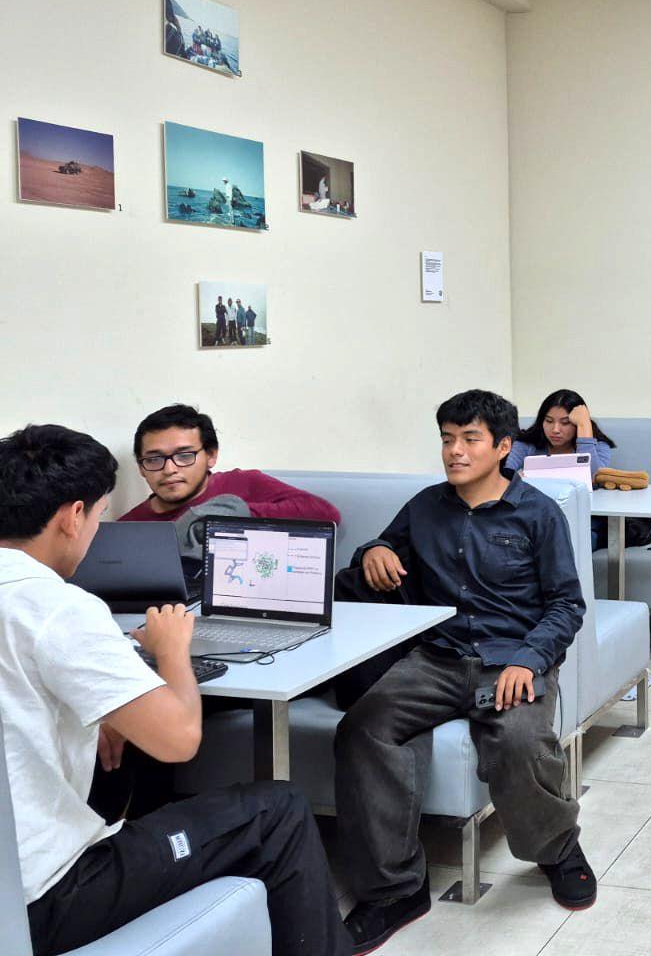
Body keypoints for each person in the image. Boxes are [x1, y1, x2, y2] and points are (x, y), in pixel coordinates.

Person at [0, 424, 348, 956]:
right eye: (97, 517)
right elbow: (180, 739)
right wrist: (172, 653)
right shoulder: (58, 608)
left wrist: (101, 714)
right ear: (73, 516)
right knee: (277, 809)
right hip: (39, 900)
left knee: (119, 769)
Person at [335, 390, 592, 951]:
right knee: (364, 727)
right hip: (435, 658)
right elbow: (380, 550)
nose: (455, 451)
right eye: (448, 439)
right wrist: (374, 549)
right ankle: (395, 888)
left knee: (522, 739)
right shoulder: (426, 505)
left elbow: (567, 605)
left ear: (502, 446)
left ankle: (558, 849)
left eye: (469, 439)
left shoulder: (538, 513)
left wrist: (529, 658)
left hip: (513, 659)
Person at [118, 404, 340, 524]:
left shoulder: (243, 484)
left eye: (184, 455)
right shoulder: (128, 528)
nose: (169, 469)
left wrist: (226, 513)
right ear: (140, 467)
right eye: (154, 459)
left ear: (211, 456)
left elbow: (325, 514)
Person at [506, 390, 616, 550]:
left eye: (565, 423)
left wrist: (584, 427)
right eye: (549, 421)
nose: (555, 429)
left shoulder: (598, 446)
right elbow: (504, 476)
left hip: (583, 520)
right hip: (536, 517)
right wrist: (518, 479)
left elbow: (593, 478)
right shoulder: (527, 444)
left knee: (573, 541)